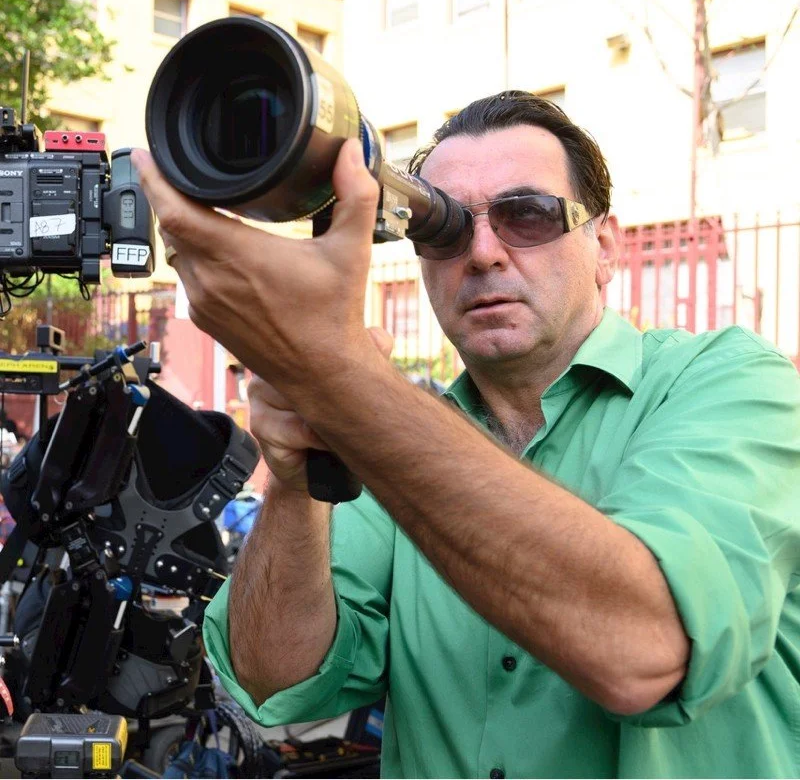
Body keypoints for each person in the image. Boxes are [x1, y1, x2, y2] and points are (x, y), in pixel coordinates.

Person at [132, 91, 800, 779]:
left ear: (604, 246)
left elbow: (646, 649)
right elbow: (276, 677)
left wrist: (335, 375)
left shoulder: (730, 381)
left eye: (528, 216)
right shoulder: (392, 434)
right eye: (445, 230)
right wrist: (298, 485)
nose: (482, 253)